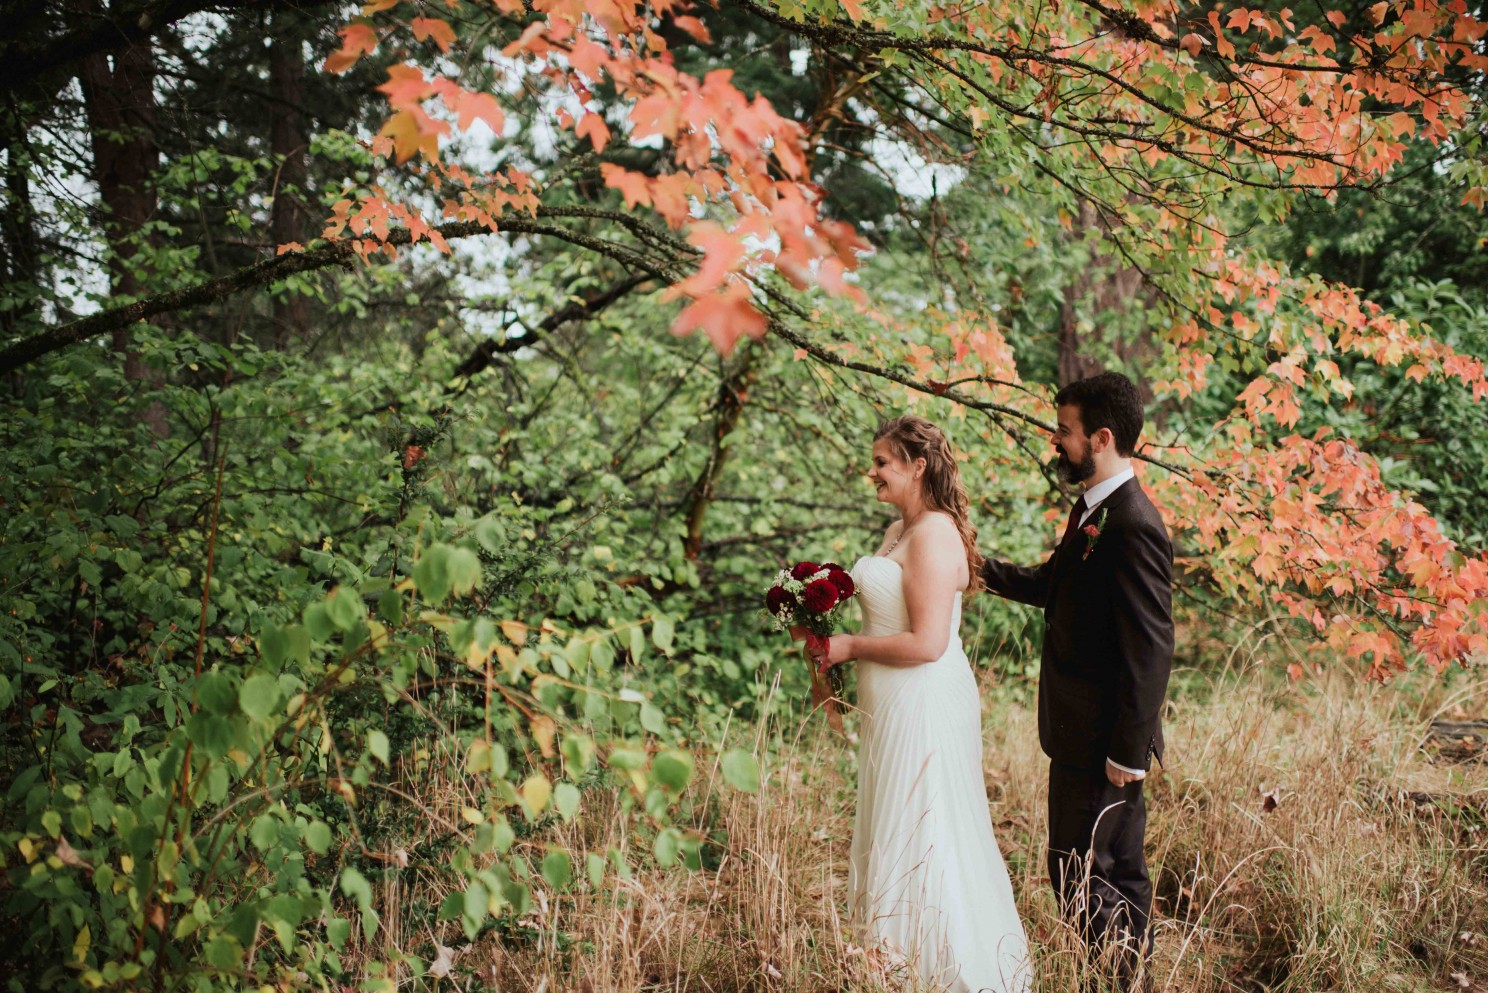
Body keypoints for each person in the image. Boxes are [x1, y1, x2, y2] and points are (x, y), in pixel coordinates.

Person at [811, 414, 1031, 993]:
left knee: (924, 830)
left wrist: (850, 646)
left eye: (883, 462)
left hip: (923, 701)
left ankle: (941, 969)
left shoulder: (933, 533)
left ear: (918, 466)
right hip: (889, 702)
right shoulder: (896, 528)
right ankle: (887, 960)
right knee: (895, 823)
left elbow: (929, 643)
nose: (873, 471)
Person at [980, 371, 1174, 987]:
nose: (1056, 442)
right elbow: (1053, 584)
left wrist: (1128, 751)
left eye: (1065, 432)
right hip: (1078, 734)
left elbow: (1152, 649)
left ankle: (1119, 981)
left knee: (1085, 874)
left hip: (1105, 744)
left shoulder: (1133, 524)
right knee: (1105, 871)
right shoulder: (1092, 509)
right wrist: (977, 567)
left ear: (1102, 438)